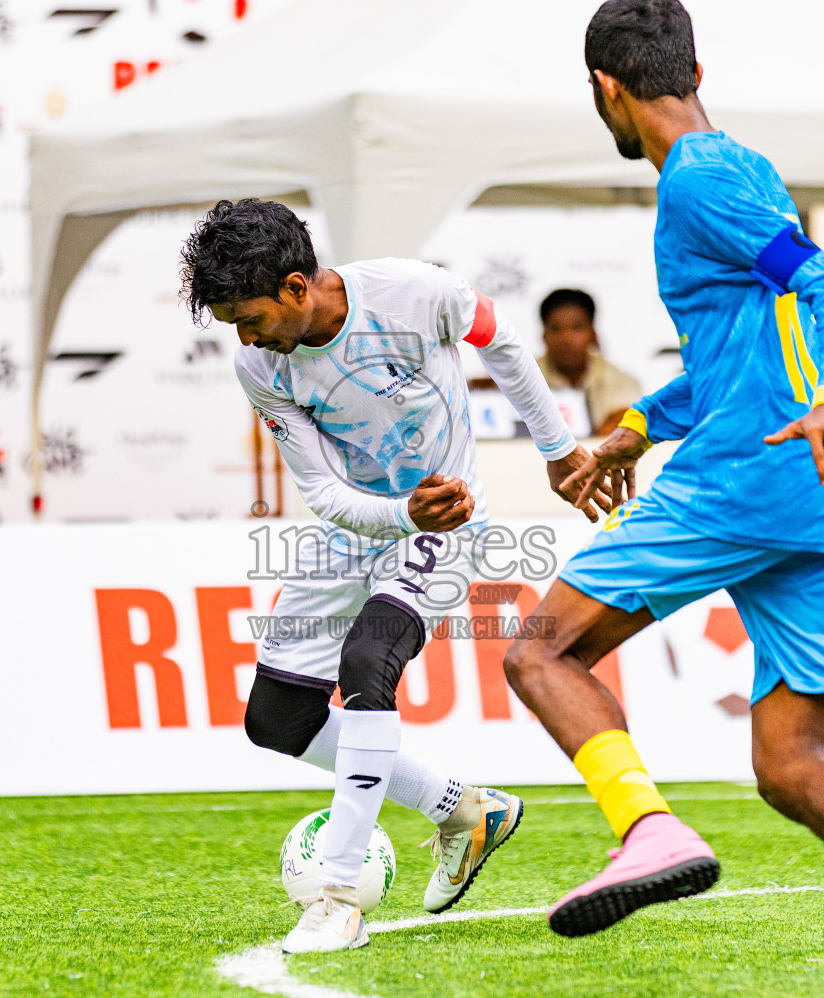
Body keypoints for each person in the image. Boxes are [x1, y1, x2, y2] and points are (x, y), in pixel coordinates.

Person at [501, 0, 824, 994]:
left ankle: (648, 828)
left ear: (607, 88)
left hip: (750, 476)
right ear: (698, 73)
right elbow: (739, 357)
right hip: (823, 503)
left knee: (539, 650)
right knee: (788, 761)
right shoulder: (740, 167)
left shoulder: (698, 182)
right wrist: (635, 428)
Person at [179, 199, 614, 955]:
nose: (245, 339)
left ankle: (339, 897)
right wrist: (402, 513)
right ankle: (464, 810)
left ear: (295, 287)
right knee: (276, 721)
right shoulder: (260, 365)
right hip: (364, 523)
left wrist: (555, 448)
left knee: (366, 665)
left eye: (249, 318)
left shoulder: (413, 293)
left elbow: (503, 342)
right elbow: (322, 493)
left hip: (450, 520)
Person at [536, 288, 644, 435]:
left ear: (594, 335)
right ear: (543, 336)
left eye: (576, 328)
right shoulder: (517, 379)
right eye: (555, 329)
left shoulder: (623, 385)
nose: (566, 339)